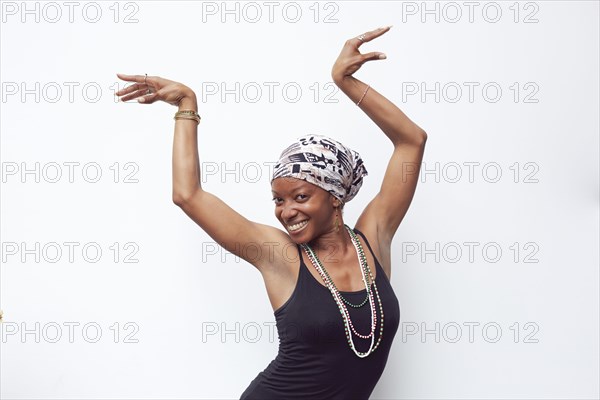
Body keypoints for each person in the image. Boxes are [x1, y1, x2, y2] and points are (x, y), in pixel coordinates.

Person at [116, 26, 427, 400]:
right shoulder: (280, 255)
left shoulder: (373, 240)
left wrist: (344, 82)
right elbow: (188, 196)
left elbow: (412, 140)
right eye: (278, 200)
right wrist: (187, 106)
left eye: (299, 196)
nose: (286, 211)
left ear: (334, 197)